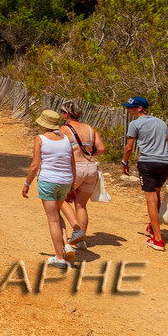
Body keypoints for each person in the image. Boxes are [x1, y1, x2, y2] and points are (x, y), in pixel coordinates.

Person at [121, 95, 168, 251]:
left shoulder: (134, 124)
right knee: (157, 192)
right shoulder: (161, 123)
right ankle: (153, 227)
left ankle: (158, 239)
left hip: (148, 163)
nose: (128, 109)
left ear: (140, 108)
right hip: (165, 163)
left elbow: (128, 148)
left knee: (151, 198)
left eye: (130, 107)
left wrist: (124, 163)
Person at [22, 109, 77, 270]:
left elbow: (35, 165)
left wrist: (27, 184)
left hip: (48, 181)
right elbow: (72, 163)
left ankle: (59, 257)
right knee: (57, 214)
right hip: (65, 181)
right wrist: (72, 185)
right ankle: (66, 246)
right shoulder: (66, 139)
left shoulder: (40, 139)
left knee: (52, 219)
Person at [58, 99, 103, 250]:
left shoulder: (64, 129)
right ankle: (81, 240)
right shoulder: (90, 128)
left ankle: (76, 230)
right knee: (81, 205)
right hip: (91, 168)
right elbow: (101, 149)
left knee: (60, 199)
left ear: (67, 113)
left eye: (62, 112)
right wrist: (90, 154)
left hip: (76, 168)